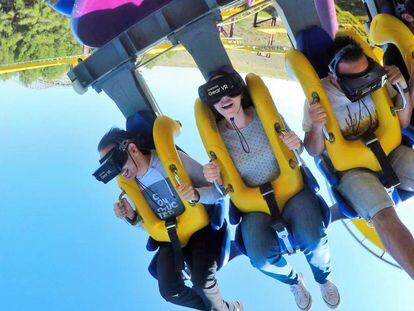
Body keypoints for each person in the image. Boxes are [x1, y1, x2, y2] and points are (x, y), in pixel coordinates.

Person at [200, 69, 340, 310]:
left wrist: (295, 144)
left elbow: (297, 153)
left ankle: (323, 278)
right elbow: (223, 189)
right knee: (260, 258)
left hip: (291, 192)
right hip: (254, 205)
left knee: (314, 238)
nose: (224, 100)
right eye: (216, 96)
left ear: (240, 93)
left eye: (228, 92)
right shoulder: (217, 138)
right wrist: (213, 177)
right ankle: (294, 281)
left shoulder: (267, 116)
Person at [302, 36, 414, 279]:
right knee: (383, 214)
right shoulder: (318, 96)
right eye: (354, 80)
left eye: (366, 74)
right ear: (334, 77)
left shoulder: (379, 77)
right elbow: (312, 150)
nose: (364, 83)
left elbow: (403, 122)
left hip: (391, 152)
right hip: (353, 171)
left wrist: (401, 87)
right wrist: (316, 126)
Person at [96, 127, 243, 311]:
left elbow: (218, 191)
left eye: (116, 162)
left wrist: (197, 194)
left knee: (203, 283)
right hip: (171, 237)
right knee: (168, 291)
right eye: (109, 169)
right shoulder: (131, 188)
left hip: (200, 228)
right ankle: (225, 309)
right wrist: (131, 217)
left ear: (132, 149)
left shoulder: (173, 161)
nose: (118, 172)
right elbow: (149, 226)